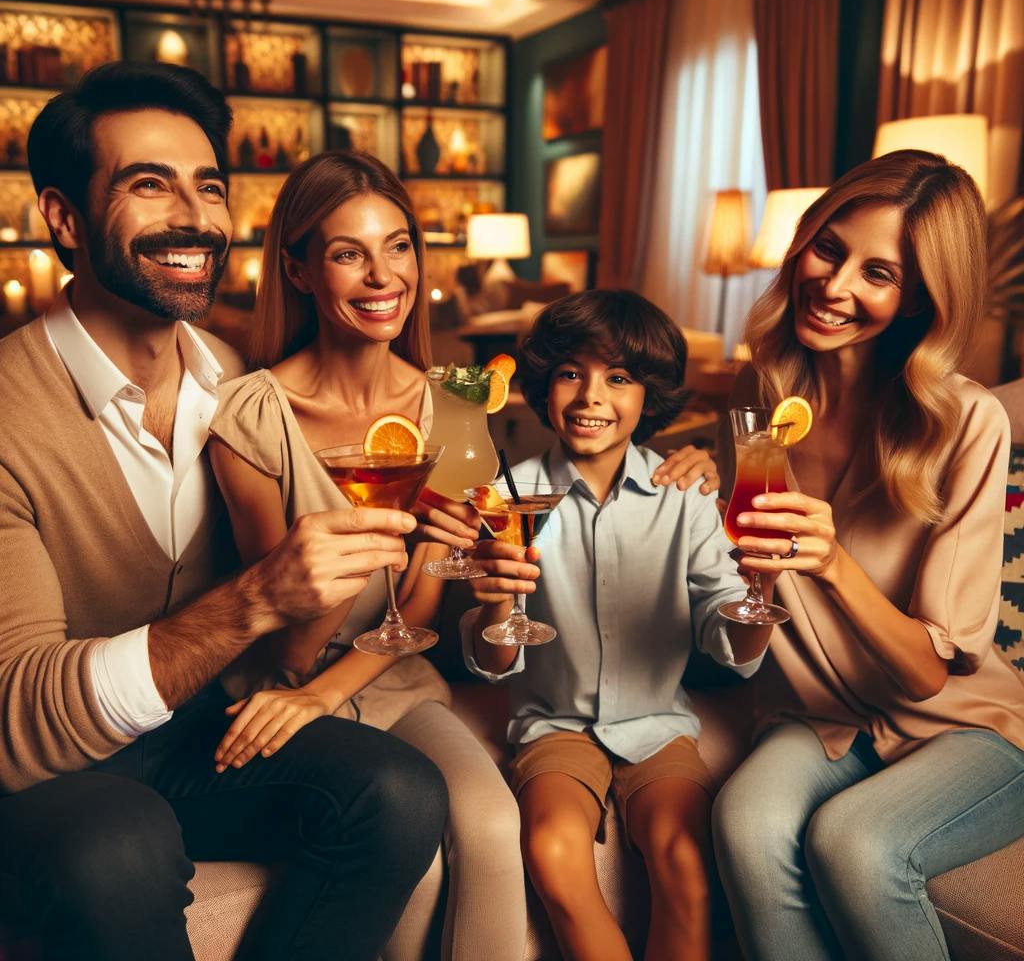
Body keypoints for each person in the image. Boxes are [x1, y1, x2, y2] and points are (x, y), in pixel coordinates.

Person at [0, 62, 447, 961]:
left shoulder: (240, 383)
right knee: (116, 848)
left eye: (209, 186)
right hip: (57, 769)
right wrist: (258, 597)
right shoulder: (9, 411)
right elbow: (16, 719)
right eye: (148, 184)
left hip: (202, 734)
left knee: (400, 793)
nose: (196, 217)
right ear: (62, 217)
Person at [655, 150, 1024, 961]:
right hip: (821, 716)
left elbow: (930, 673)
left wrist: (831, 562)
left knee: (855, 842)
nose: (836, 284)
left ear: (921, 297)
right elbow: (743, 597)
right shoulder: (760, 397)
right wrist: (703, 499)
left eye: (880, 272)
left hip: (965, 728)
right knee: (745, 822)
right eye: (830, 248)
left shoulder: (965, 424)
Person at [206, 149, 527, 961]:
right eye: (349, 252)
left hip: (394, 674)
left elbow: (416, 610)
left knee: (491, 824)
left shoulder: (453, 403)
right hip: (283, 681)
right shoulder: (250, 415)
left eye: (399, 245)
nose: (384, 275)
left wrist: (467, 560)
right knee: (408, 859)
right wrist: (311, 693)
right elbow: (284, 641)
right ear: (301, 270)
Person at [461, 289, 769, 961]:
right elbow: (491, 662)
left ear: (648, 394)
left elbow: (733, 645)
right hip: (554, 722)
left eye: (618, 378)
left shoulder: (686, 496)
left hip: (657, 725)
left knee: (686, 859)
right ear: (545, 387)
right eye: (572, 373)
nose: (590, 396)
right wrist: (492, 604)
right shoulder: (503, 496)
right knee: (550, 846)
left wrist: (761, 595)